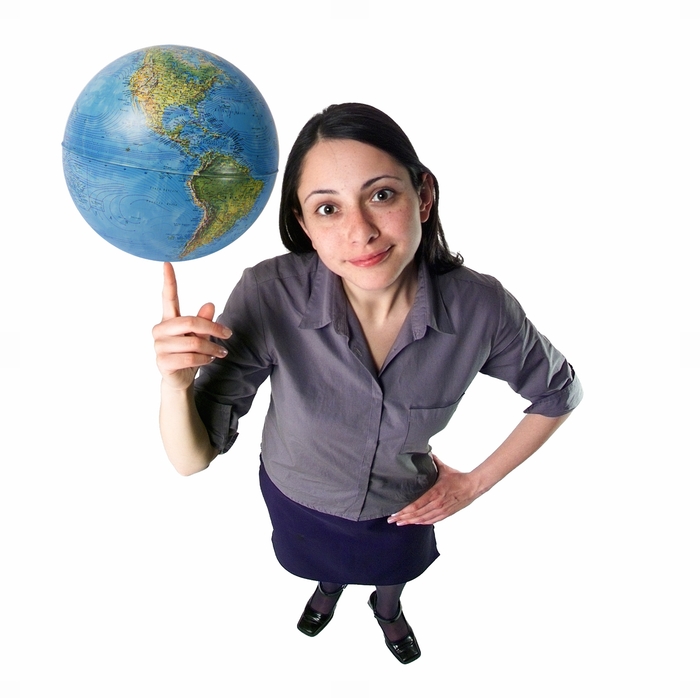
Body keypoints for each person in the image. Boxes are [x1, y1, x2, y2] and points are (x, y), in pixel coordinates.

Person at [153, 103, 583, 665]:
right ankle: (327, 590)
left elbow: (559, 393)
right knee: (322, 567)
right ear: (304, 225)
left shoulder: (483, 308)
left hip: (401, 508)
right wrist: (176, 384)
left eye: (381, 195)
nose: (360, 232)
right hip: (299, 499)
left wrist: (474, 484)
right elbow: (192, 459)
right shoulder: (268, 293)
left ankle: (388, 609)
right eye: (327, 208)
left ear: (422, 195)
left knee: (392, 572)